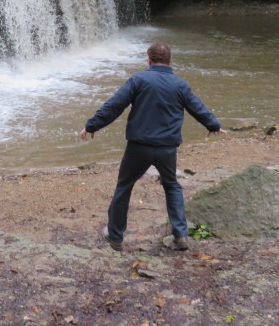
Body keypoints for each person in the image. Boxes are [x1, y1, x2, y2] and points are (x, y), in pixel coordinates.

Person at [80, 42, 222, 252]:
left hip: (139, 147)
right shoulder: (180, 85)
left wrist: (92, 126)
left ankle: (115, 236)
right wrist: (213, 125)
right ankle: (180, 234)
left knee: (124, 186)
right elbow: (197, 108)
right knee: (172, 186)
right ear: (170, 60)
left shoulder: (138, 80)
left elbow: (114, 105)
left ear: (149, 59)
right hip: (167, 148)